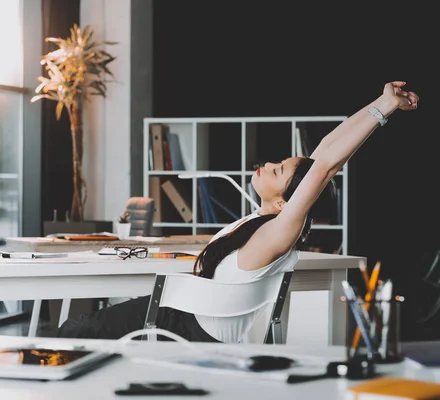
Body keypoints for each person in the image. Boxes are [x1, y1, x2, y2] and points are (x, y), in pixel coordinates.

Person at [57, 81, 419, 343]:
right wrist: (381, 101)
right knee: (78, 330)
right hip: (177, 315)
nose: (267, 163)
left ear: (285, 202)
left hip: (183, 329)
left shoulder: (277, 230)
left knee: (72, 332)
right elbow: (323, 151)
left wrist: (385, 111)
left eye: (277, 170)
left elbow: (324, 167)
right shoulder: (260, 223)